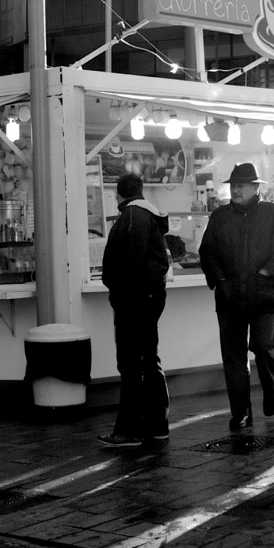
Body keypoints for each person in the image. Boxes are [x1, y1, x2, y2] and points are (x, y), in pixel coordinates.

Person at [199, 162, 274, 431]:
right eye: (233, 185)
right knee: (233, 357)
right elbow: (207, 252)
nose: (235, 190)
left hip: (262, 295)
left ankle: (271, 388)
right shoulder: (219, 217)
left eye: (241, 185)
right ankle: (241, 412)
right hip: (229, 297)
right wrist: (220, 280)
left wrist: (267, 272)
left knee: (264, 347)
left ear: (256, 188)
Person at [98, 173, 172, 448]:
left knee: (131, 363)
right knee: (148, 359)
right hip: (148, 298)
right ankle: (156, 425)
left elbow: (130, 262)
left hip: (134, 301)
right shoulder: (148, 214)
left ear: (118, 194)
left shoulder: (131, 217)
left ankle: (131, 430)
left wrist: (119, 294)